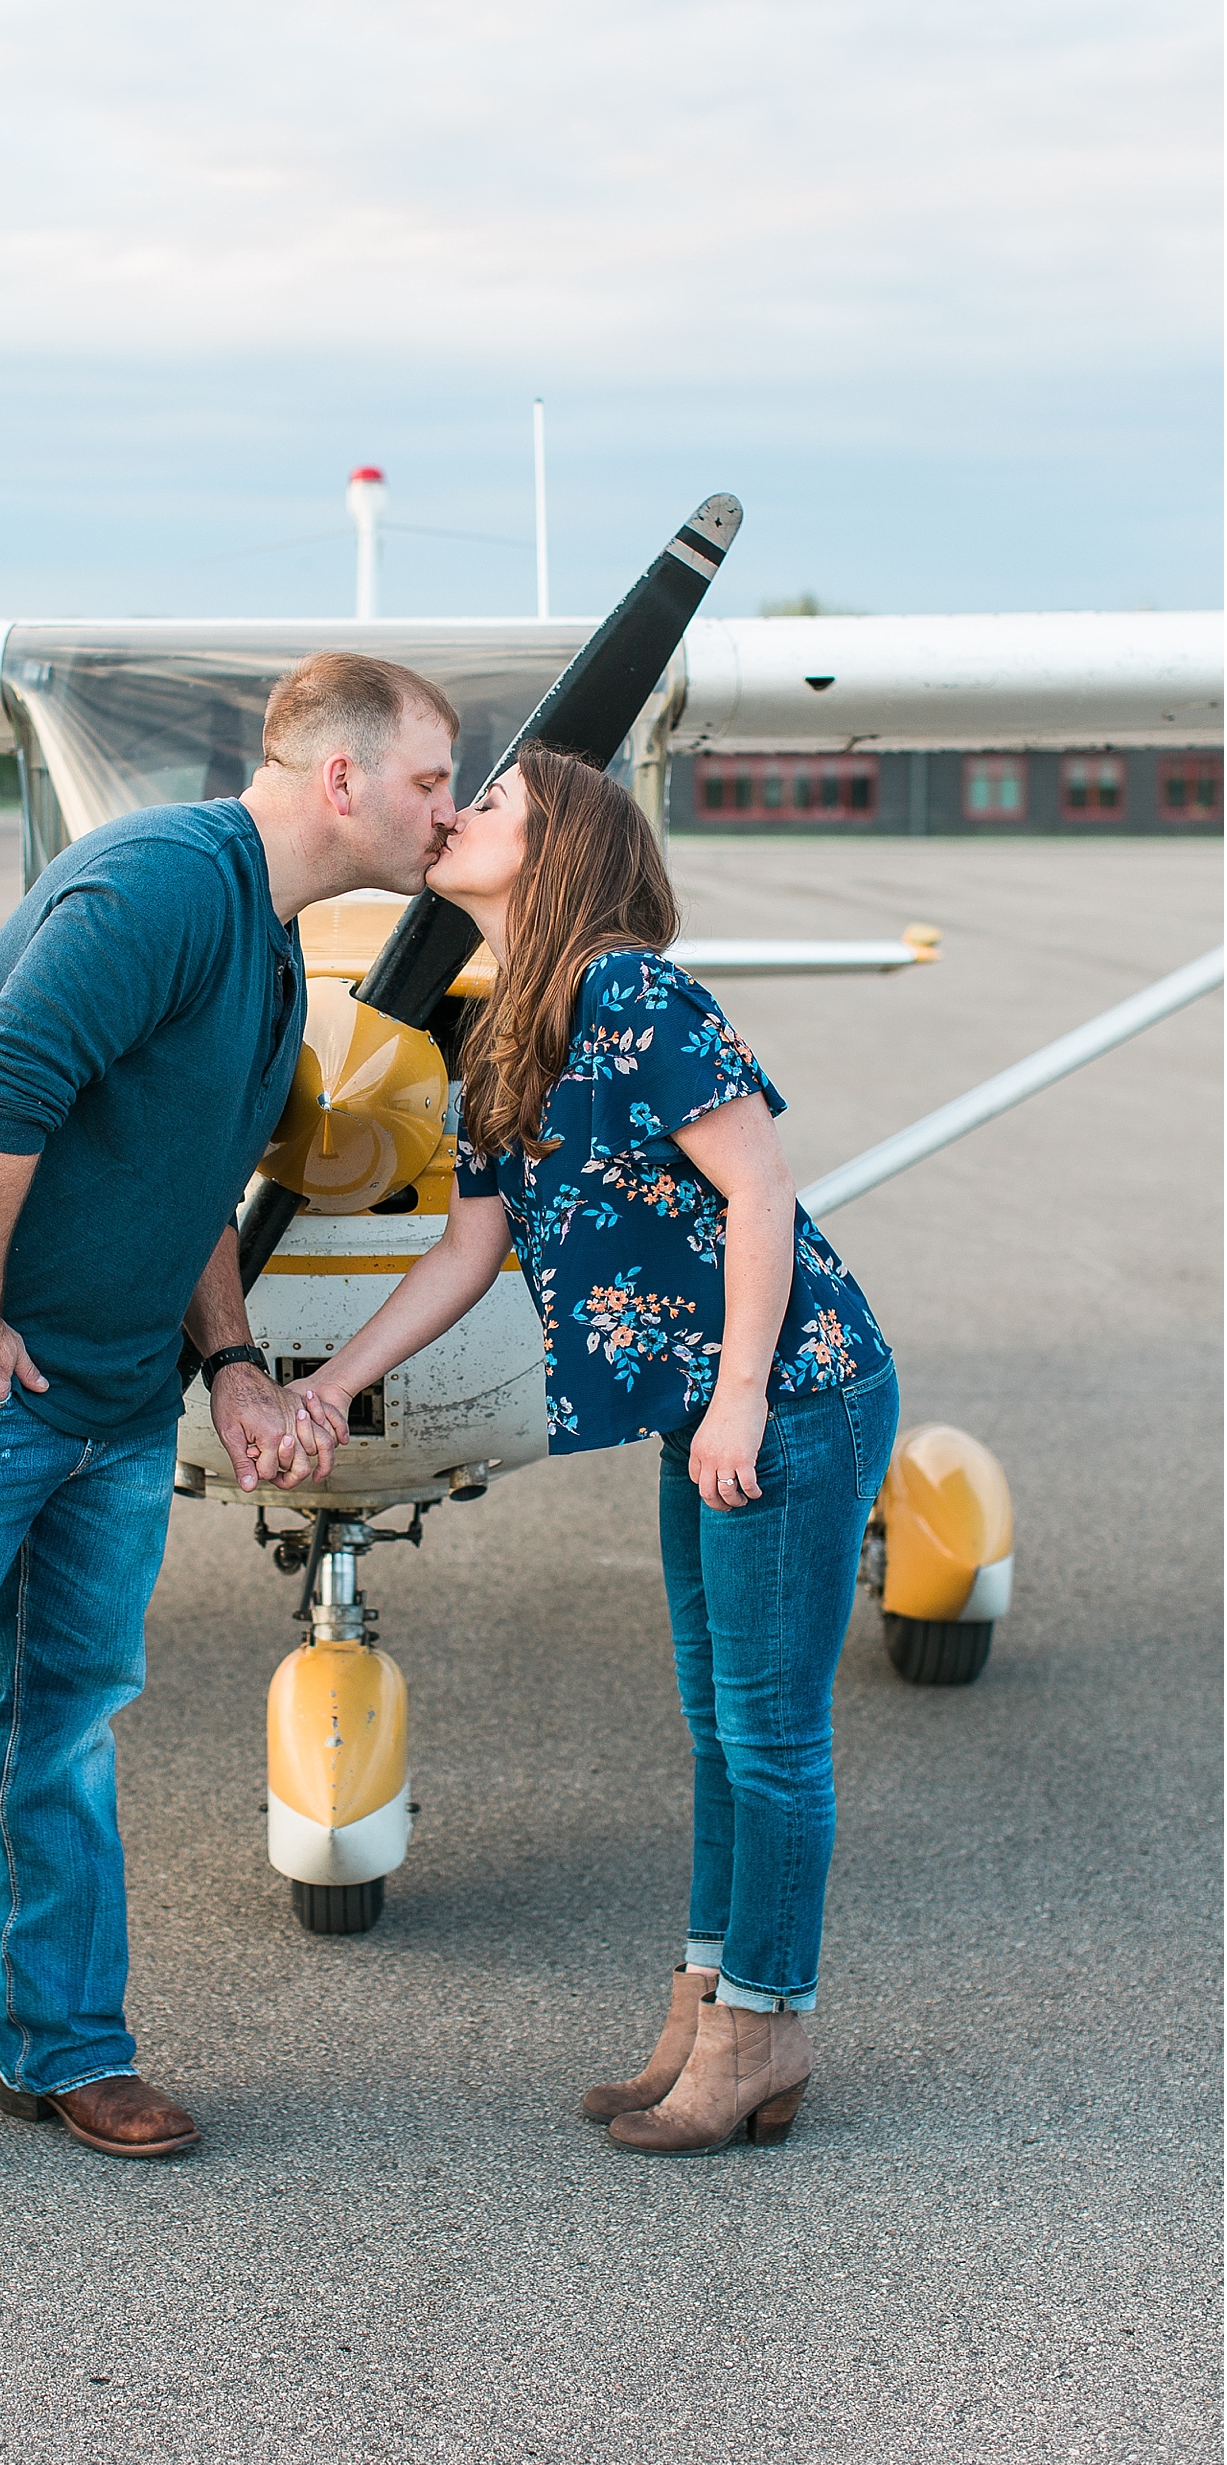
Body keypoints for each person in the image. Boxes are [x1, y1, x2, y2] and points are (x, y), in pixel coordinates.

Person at [0, 652, 461, 2213]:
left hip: (117, 1406)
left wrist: (237, 1364)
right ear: (342, 779)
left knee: (61, 1734)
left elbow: (188, 1173)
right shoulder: (161, 886)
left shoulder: (264, 941)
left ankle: (62, 2045)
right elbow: (0, 1086)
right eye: (430, 781)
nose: (444, 813)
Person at [296, 745, 899, 2157]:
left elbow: (760, 1189)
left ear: (557, 849)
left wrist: (742, 1392)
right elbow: (467, 1249)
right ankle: (709, 2011)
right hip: (716, 1406)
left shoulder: (632, 990)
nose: (451, 816)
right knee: (716, 1727)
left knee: (771, 1736)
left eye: (486, 803)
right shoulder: (510, 1026)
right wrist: (328, 1383)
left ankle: (765, 2024)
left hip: (795, 1391)